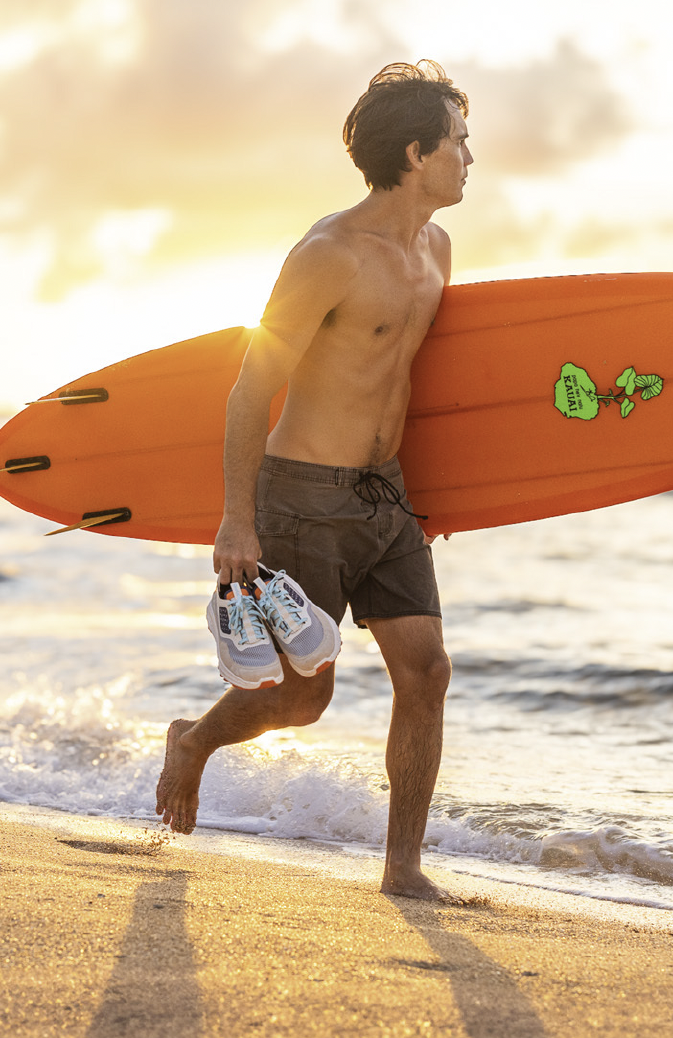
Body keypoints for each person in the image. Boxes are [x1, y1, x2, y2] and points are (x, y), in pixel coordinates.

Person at [155, 60, 473, 902]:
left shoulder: (436, 249)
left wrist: (440, 497)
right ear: (415, 152)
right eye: (458, 142)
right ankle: (191, 740)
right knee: (301, 701)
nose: (470, 158)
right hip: (303, 495)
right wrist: (236, 521)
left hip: (385, 495)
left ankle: (402, 867)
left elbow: (412, 383)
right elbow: (253, 388)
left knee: (427, 671)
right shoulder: (329, 255)